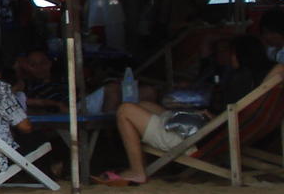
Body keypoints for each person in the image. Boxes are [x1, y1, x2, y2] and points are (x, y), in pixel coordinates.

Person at [101, 34, 283, 185]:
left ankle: (137, 171)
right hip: (210, 130)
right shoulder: (253, 82)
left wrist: (209, 116)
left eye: (232, 53)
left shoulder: (241, 78)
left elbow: (227, 112)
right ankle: (143, 164)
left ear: (242, 55)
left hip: (198, 136)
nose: (230, 57)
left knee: (125, 110)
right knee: (144, 106)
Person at [13, 47, 66, 114]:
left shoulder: (63, 84)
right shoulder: (27, 87)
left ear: (50, 63)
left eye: (43, 63)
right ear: (26, 66)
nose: (39, 67)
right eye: (33, 64)